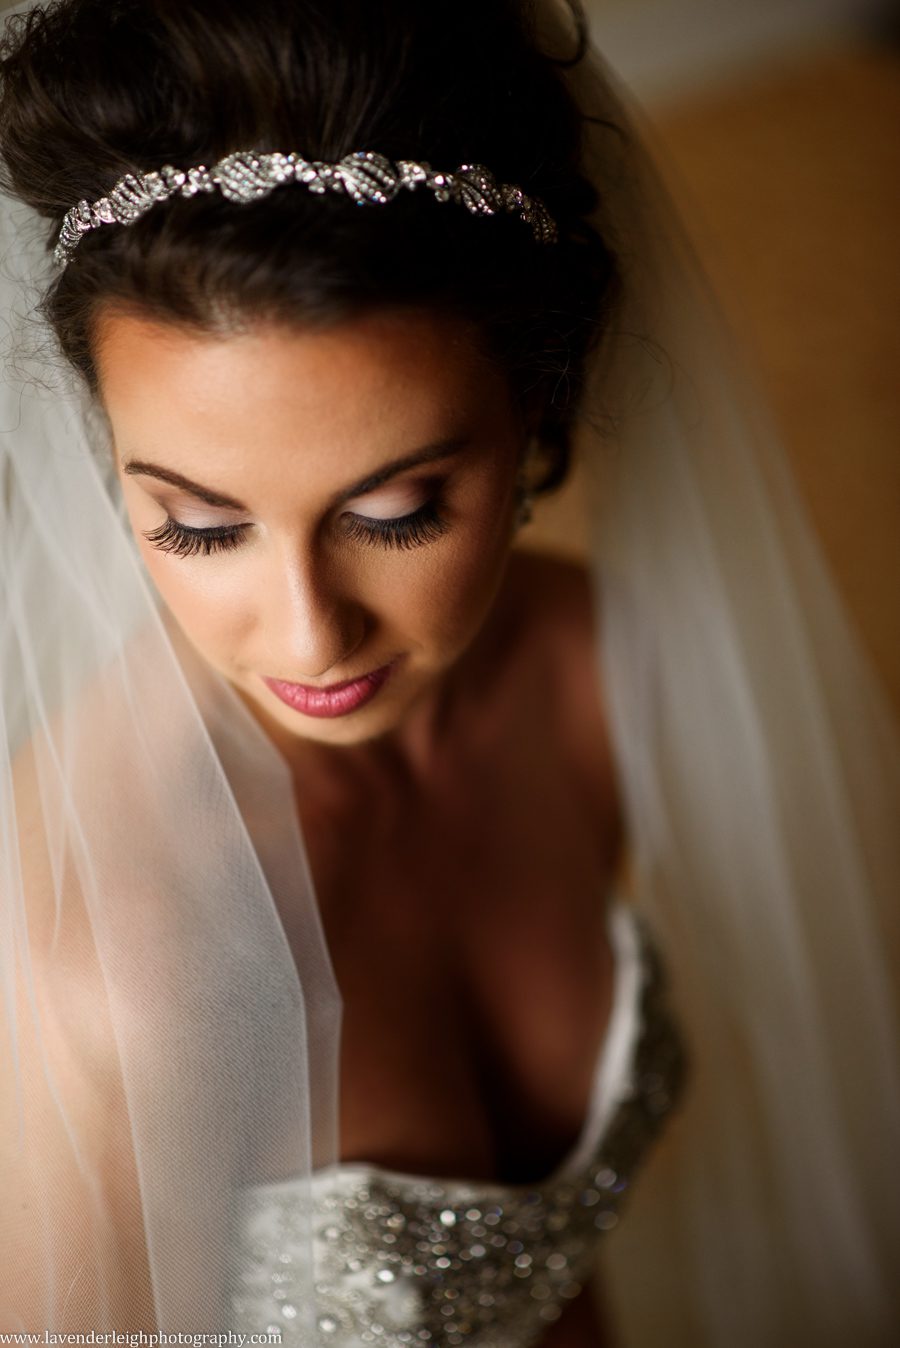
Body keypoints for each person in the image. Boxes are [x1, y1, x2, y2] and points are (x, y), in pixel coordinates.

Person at [0, 2, 897, 1346]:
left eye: (399, 509)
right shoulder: (109, 960)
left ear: (535, 410)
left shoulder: (588, 673)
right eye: (196, 524)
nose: (308, 638)